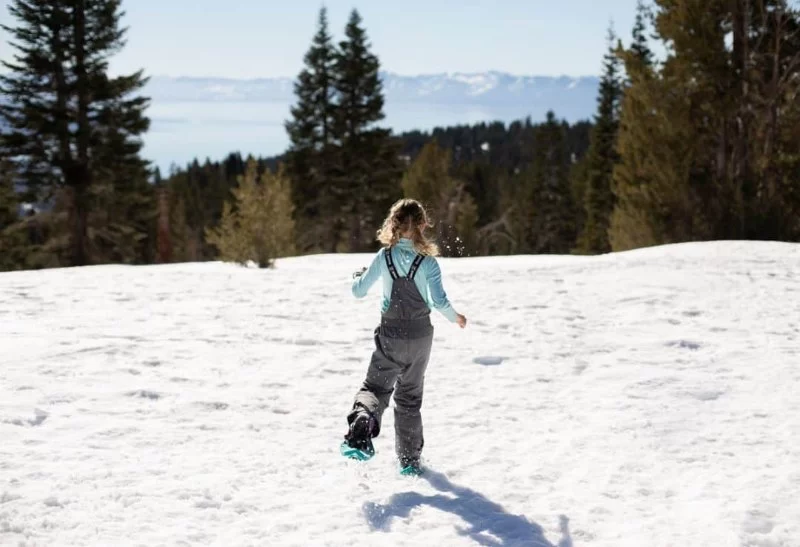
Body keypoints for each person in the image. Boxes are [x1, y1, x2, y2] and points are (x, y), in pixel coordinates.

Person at [343, 198, 467, 475]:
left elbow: (358, 291)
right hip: (421, 337)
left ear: (394, 224)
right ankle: (410, 464)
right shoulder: (429, 263)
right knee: (409, 398)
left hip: (391, 334)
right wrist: (456, 318)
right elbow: (440, 301)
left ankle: (365, 417)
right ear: (423, 225)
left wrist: (357, 277)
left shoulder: (383, 256)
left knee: (376, 388)